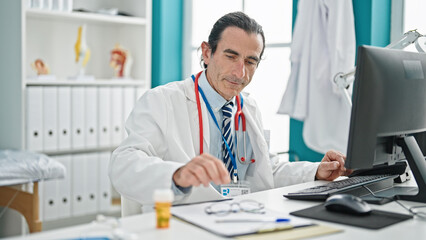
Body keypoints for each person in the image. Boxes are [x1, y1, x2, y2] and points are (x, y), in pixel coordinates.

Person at [109, 12, 351, 206]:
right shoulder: (162, 101)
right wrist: (177, 175)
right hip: (182, 221)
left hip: (237, 216)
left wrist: (316, 171)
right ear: (207, 52)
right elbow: (123, 163)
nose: (240, 73)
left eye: (250, 61)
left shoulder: (248, 107)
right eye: (231, 56)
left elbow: (267, 169)